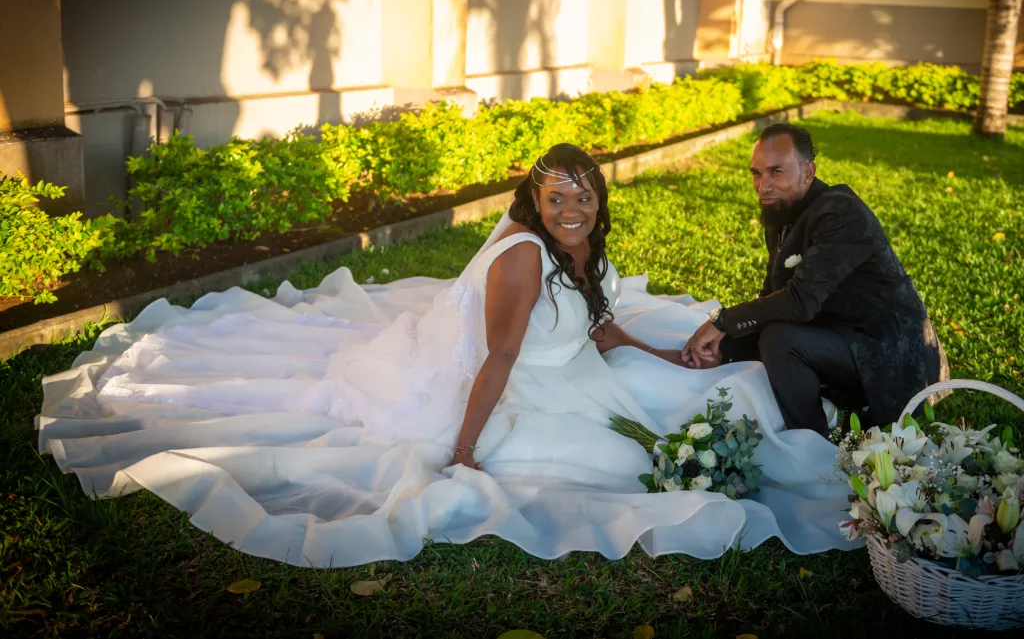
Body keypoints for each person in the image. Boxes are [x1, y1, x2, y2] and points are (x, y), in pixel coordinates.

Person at [37, 144, 855, 568]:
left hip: (573, 364)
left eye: (583, 194)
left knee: (692, 392)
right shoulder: (522, 260)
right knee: (615, 463)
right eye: (556, 197)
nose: (572, 208)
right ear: (534, 201)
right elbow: (497, 360)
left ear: (598, 195)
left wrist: (664, 354)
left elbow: (600, 324)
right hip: (518, 380)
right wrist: (464, 449)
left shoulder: (582, 244)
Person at [682, 124, 948, 433]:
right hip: (834, 331)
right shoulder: (781, 211)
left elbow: (800, 302)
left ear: (808, 172)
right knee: (737, 340)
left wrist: (722, 321)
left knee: (781, 340)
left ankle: (811, 442)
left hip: (889, 352)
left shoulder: (840, 211)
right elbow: (772, 296)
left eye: (776, 172)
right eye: (756, 173)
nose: (763, 186)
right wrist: (728, 338)